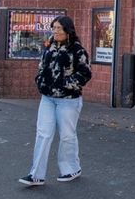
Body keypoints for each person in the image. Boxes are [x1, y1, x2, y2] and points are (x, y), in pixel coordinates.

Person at [19, 15, 92, 187]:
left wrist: (66, 84)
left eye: (59, 28)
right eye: (54, 28)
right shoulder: (49, 47)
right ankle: (36, 174)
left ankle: (71, 169)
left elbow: (85, 73)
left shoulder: (77, 50)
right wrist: (41, 82)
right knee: (43, 134)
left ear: (68, 30)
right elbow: (41, 68)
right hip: (47, 98)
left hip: (68, 100)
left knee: (67, 135)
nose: (55, 31)